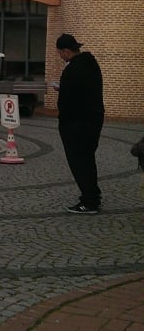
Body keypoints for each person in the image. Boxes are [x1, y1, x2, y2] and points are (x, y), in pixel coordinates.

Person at [54, 33, 105, 214]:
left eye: (60, 53)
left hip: (77, 124)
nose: (60, 57)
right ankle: (93, 195)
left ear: (66, 51)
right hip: (94, 119)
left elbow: (66, 102)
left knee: (80, 162)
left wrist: (63, 120)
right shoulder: (91, 64)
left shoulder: (72, 70)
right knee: (88, 160)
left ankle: (89, 201)